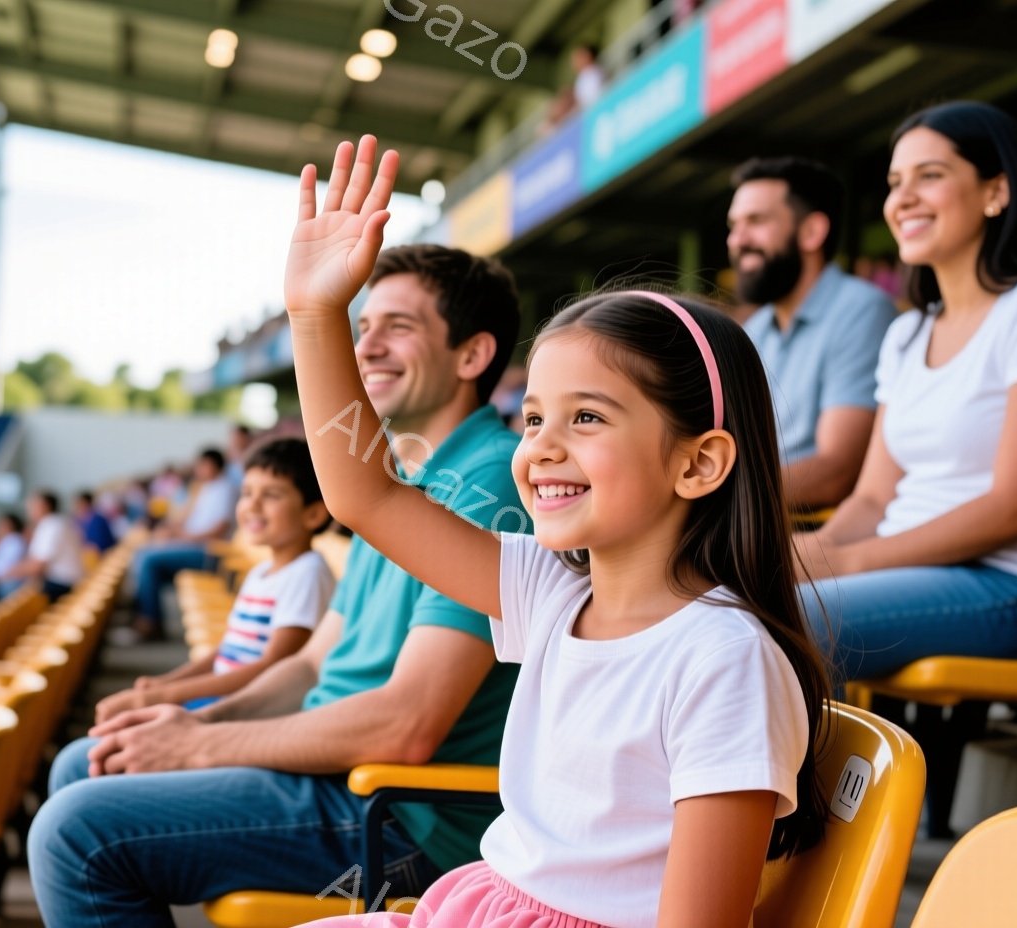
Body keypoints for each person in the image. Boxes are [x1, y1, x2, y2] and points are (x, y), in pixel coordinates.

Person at [278, 137, 826, 928]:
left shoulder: (725, 660)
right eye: (532, 418)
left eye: (587, 417)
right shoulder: (552, 590)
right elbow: (367, 494)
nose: (540, 448)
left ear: (700, 463)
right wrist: (315, 313)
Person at [28, 239, 527, 927]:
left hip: (406, 820)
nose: (368, 347)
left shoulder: (492, 480)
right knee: (92, 763)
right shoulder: (401, 481)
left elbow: (408, 725)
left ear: (472, 355)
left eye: (399, 328)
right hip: (338, 777)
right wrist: (196, 720)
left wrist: (197, 746)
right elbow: (313, 662)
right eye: (363, 328)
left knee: (76, 832)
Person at [795, 101, 1017, 686]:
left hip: (1008, 584)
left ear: (996, 191)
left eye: (931, 176)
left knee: (766, 622)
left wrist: (844, 563)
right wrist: (812, 550)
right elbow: (870, 500)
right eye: (896, 183)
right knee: (716, 594)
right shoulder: (906, 331)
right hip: (896, 567)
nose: (903, 198)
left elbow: (1014, 507)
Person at [95, 437, 335, 720]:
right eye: (246, 492)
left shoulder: (307, 573)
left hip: (245, 710)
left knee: (112, 724)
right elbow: (226, 652)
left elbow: (272, 667)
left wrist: (168, 695)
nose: (252, 505)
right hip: (223, 698)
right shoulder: (261, 572)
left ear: (314, 513)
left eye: (271, 495)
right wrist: (169, 682)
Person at [729, 156, 898, 511]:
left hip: (815, 532)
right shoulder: (753, 330)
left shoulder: (862, 309)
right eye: (734, 225)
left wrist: (716, 499)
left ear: (811, 232)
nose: (737, 240)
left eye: (756, 221)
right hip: (756, 523)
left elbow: (836, 472)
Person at [129, 448, 238, 638]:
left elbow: (218, 530)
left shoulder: (225, 489)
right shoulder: (206, 488)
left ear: (213, 465)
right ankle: (144, 615)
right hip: (194, 545)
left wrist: (183, 537)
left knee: (148, 560)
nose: (198, 470)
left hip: (209, 551)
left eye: (202, 466)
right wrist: (170, 531)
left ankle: (149, 620)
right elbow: (187, 520)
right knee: (143, 554)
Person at [11, 489, 85, 600]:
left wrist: (3, 575)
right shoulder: (57, 522)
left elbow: (37, 566)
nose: (29, 509)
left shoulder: (50, 525)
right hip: (67, 582)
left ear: (44, 505)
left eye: (32, 504)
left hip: (63, 585)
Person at [0, 511, 27, 594]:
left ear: (9, 524)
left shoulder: (15, 540)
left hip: (6, 584)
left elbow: (10, 567)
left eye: (1, 524)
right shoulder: (7, 540)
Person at [73, 490, 118, 555]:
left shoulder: (98, 519)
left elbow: (103, 542)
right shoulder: (77, 521)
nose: (78, 506)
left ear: (88, 503)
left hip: (105, 553)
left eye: (80, 503)